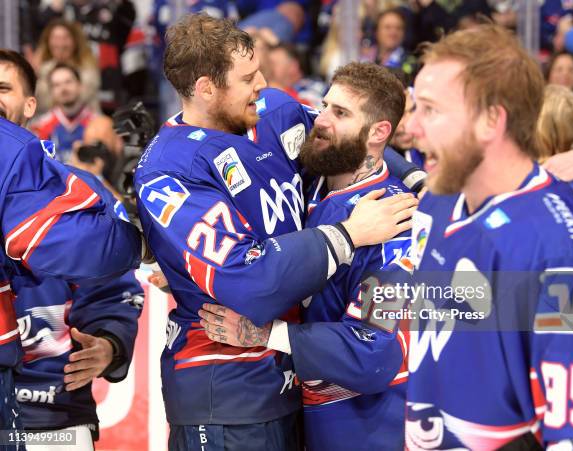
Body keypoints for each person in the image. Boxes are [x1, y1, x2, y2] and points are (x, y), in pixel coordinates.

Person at [134, 13, 415, 450]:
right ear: (208, 88)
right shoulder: (169, 171)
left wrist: (416, 181)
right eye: (247, 77)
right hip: (226, 388)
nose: (262, 82)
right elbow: (249, 282)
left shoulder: (275, 112)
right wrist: (347, 235)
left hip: (290, 384)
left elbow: (351, 139)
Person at [405, 24, 573, 448]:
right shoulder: (438, 202)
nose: (412, 130)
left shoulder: (563, 250)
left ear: (490, 120)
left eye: (431, 110)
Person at [199, 62, 412, 451]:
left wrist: (266, 334)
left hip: (368, 428)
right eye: (325, 106)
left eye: (341, 113)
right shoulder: (308, 182)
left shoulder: (397, 226)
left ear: (380, 132)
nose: (322, 121)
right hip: (300, 415)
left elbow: (373, 351)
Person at [0, 49, 143, 451]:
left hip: (55, 413)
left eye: (3, 88)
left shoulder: (79, 190)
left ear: (31, 105)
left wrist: (109, 345)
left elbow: (115, 288)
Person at [31, 63, 97, 162]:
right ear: (51, 91)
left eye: (68, 82)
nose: (63, 88)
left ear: (80, 85)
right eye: (57, 85)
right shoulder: (40, 127)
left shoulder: (98, 124)